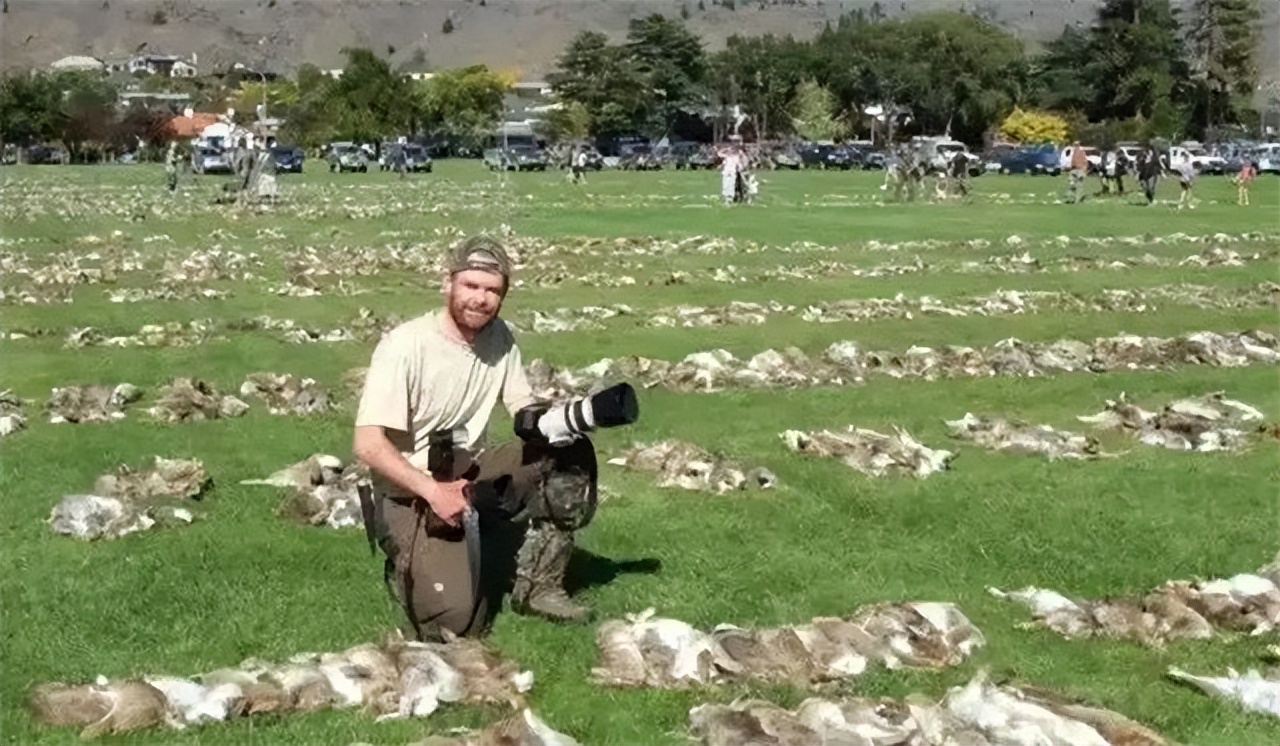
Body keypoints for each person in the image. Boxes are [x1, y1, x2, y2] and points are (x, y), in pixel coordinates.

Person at [352, 236, 601, 642]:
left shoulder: (499, 337)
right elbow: (367, 445)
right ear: (447, 283)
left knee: (567, 449)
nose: (480, 299)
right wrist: (433, 492)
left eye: (492, 290)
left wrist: (567, 419)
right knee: (456, 625)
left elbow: (522, 408)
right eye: (471, 285)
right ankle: (410, 559)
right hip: (408, 492)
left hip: (467, 471)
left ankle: (538, 585)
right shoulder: (405, 346)